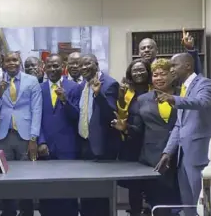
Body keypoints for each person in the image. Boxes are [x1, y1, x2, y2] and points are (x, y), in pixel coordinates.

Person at [113, 58, 181, 216]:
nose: (159, 78)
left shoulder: (182, 95)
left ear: (172, 76)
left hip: (180, 156)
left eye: (163, 74)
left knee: (181, 203)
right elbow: (138, 130)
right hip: (153, 159)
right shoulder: (143, 100)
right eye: (155, 75)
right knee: (158, 205)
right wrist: (125, 128)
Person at [156, 53, 211, 216]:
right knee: (188, 206)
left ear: (188, 65)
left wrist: (174, 100)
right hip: (183, 157)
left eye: (174, 66)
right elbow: (179, 125)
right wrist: (168, 152)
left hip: (199, 156)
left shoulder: (205, 83)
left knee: (203, 206)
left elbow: (203, 102)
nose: (171, 70)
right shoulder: (184, 89)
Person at [0, 51, 42, 216]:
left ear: (19, 62)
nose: (11, 63)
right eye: (8, 61)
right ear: (3, 64)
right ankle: (9, 211)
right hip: (4, 136)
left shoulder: (31, 81)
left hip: (25, 137)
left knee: (26, 177)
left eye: (15, 60)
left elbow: (36, 110)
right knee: (5, 177)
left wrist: (34, 138)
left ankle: (27, 212)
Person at [37, 54, 81, 216]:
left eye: (56, 66)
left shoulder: (74, 87)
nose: (53, 69)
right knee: (47, 193)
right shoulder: (38, 88)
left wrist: (65, 100)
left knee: (68, 192)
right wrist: (41, 141)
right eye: (50, 66)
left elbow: (76, 116)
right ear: (44, 68)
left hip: (67, 148)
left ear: (63, 67)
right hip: (46, 147)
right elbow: (36, 118)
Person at [77, 54, 119, 216]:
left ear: (96, 64)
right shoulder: (83, 85)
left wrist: (98, 94)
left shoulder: (109, 84)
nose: (84, 68)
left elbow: (110, 114)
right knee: (87, 192)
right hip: (85, 144)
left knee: (101, 196)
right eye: (81, 65)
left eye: (87, 64)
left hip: (102, 146)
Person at [115, 58, 151, 216]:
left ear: (148, 72)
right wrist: (121, 98)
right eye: (135, 70)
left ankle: (150, 210)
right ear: (130, 74)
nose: (138, 73)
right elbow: (122, 115)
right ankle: (135, 212)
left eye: (142, 69)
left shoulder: (154, 88)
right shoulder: (127, 91)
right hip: (131, 140)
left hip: (150, 141)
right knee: (134, 184)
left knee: (151, 183)